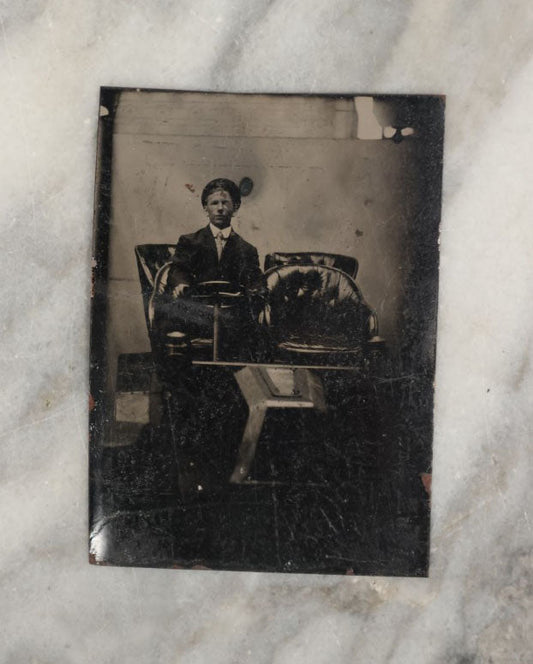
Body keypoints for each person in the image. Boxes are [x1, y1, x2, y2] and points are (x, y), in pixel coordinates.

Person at [159, 178, 266, 363]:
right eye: (214, 203)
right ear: (205, 208)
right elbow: (178, 269)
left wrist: (256, 290)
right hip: (197, 312)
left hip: (230, 314)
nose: (220, 208)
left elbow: (254, 278)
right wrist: (181, 284)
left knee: (255, 337)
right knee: (169, 326)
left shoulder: (246, 249)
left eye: (225, 203)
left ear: (236, 207)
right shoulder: (190, 241)